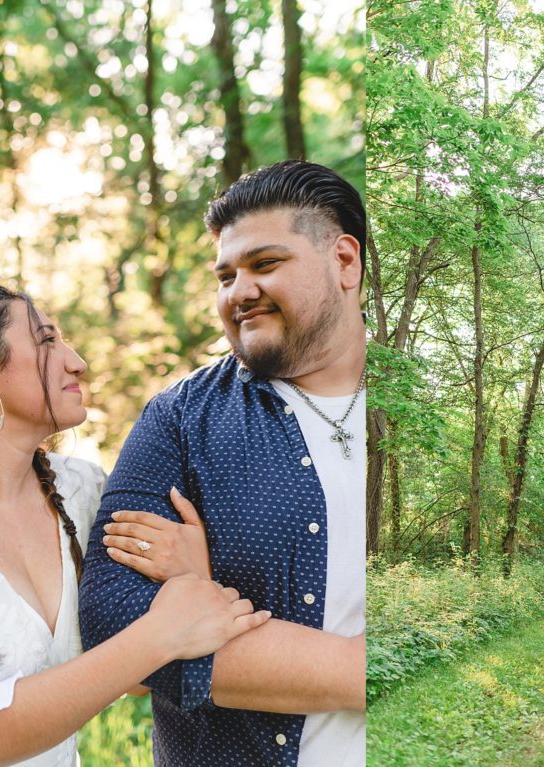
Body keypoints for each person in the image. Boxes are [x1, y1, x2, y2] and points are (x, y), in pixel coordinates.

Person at [0, 286, 269, 767]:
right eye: (47, 341)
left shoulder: (83, 492)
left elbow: (131, 676)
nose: (77, 362)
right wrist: (161, 633)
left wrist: (190, 577)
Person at [78, 160, 367, 767]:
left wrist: (201, 600)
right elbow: (110, 619)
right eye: (226, 275)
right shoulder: (179, 420)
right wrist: (370, 668)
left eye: (265, 265)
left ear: (344, 261)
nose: (238, 292)